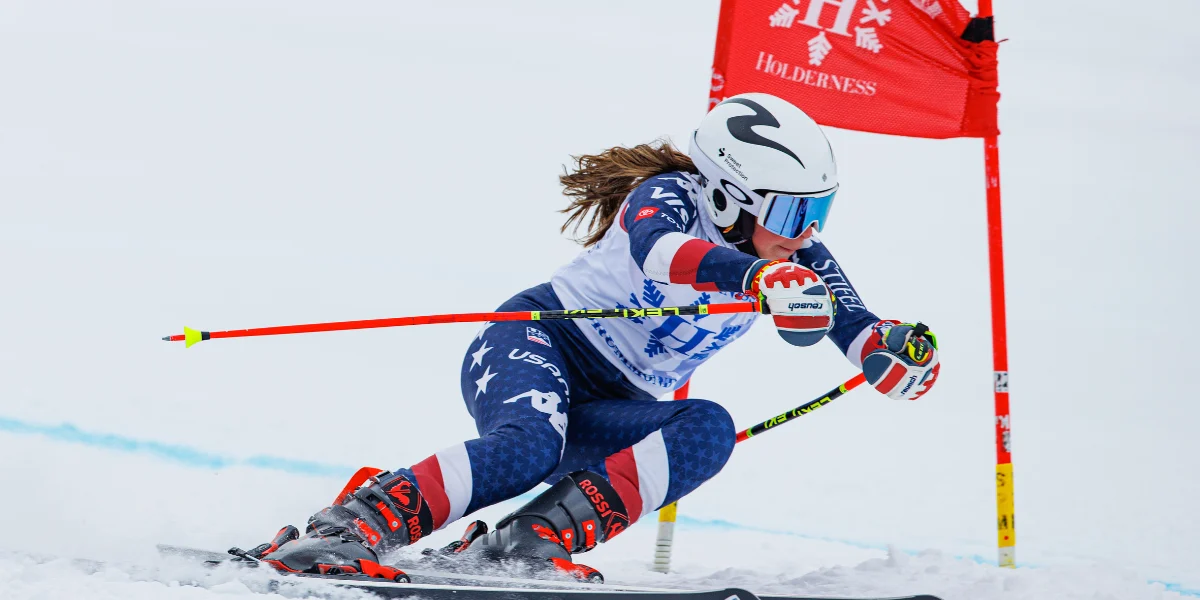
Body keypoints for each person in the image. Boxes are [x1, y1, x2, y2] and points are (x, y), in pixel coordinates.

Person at [245, 93, 940, 581]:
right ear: (727, 197)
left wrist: (893, 356)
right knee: (529, 447)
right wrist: (756, 275)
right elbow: (659, 252)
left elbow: (857, 329)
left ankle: (526, 543)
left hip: (618, 401)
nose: (807, 232)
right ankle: (350, 526)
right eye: (791, 212)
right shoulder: (669, 196)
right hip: (537, 343)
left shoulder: (798, 256)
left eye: (820, 211)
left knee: (708, 429)